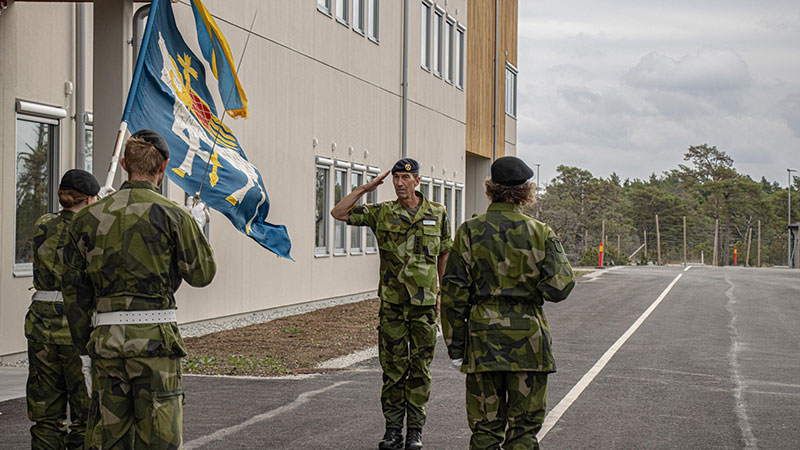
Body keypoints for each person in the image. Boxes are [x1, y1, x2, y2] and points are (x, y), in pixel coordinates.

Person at [62, 129, 216, 449]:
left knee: (106, 441)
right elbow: (202, 274)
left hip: (105, 344)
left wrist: (85, 346)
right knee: (159, 439)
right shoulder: (175, 215)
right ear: (164, 167)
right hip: (156, 346)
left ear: (122, 164)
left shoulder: (86, 219)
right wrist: (197, 228)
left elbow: (75, 293)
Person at [441, 156, 576, 450]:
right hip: (529, 342)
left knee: (485, 431)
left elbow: (453, 294)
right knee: (523, 433)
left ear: (490, 189)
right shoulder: (541, 233)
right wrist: (530, 289)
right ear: (526, 191)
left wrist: (455, 346)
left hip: (482, 343)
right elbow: (561, 285)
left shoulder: (469, 232)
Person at [331, 158, 452, 450]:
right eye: (396, 177)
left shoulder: (437, 212)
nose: (399, 183)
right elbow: (338, 212)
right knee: (394, 370)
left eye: (405, 178)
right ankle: (393, 431)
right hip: (393, 305)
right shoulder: (383, 212)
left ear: (417, 181)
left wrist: (440, 294)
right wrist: (367, 188)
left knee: (420, 369)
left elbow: (445, 253)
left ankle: (415, 433)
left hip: (423, 306)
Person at [25, 169, 99, 449]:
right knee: (84, 415)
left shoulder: (43, 223)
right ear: (90, 198)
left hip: (41, 326)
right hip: (76, 329)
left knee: (46, 416)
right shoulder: (91, 228)